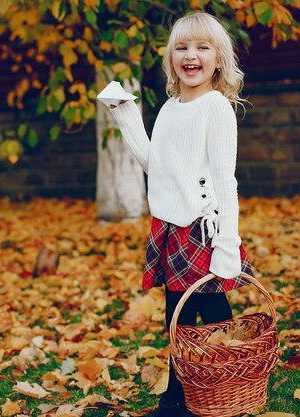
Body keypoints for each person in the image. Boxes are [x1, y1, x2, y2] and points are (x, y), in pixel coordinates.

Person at [108, 11, 254, 417]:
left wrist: (228, 243)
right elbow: (157, 165)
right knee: (178, 316)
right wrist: (123, 113)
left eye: (203, 48)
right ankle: (183, 394)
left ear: (219, 60)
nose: (192, 55)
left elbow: (226, 180)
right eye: (182, 48)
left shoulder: (215, 108)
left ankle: (228, 384)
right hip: (171, 227)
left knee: (211, 318)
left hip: (204, 232)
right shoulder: (171, 108)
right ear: (172, 57)